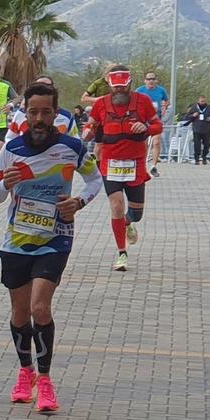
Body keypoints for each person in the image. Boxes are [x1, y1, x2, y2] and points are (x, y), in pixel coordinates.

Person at [0, 82, 100, 415]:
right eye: (32, 112)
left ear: (56, 113)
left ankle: (46, 381)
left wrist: (78, 202)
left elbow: (95, 181)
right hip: (17, 240)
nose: (39, 118)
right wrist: (3, 185)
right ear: (24, 112)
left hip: (56, 236)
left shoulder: (72, 147)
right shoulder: (11, 149)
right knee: (20, 313)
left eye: (45, 112)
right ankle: (26, 373)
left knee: (39, 308)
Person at [85, 65, 160, 271]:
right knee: (116, 206)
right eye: (115, 88)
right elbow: (89, 125)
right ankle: (122, 253)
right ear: (109, 86)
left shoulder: (143, 101)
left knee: (136, 214)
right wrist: (87, 132)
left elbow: (157, 126)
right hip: (110, 163)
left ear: (129, 86)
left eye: (122, 88)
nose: (118, 92)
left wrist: (145, 127)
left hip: (135, 164)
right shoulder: (101, 104)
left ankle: (128, 223)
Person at [137, 71, 170, 165]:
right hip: (143, 119)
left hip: (156, 119)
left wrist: (164, 106)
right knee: (144, 144)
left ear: (156, 80)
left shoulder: (161, 90)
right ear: (145, 81)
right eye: (148, 79)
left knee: (156, 142)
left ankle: (153, 166)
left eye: (153, 79)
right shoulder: (139, 90)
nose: (151, 81)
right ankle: (142, 165)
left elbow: (167, 101)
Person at [183, 97, 210, 163]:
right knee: (197, 145)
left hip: (206, 129)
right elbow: (187, 116)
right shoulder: (194, 108)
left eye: (204, 101)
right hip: (196, 129)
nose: (203, 103)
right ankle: (197, 158)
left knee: (207, 144)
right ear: (198, 101)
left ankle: (204, 156)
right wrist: (193, 115)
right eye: (201, 101)